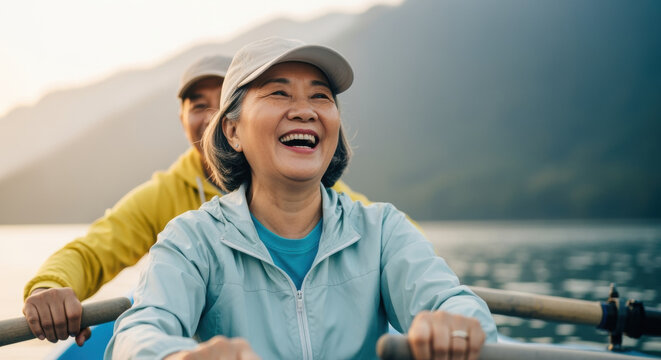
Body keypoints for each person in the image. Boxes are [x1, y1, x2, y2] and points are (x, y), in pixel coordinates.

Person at [106, 37, 497, 360]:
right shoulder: (193, 239)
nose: (305, 111)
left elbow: (453, 301)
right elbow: (137, 333)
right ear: (232, 131)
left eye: (321, 97)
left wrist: (454, 322)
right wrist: (175, 357)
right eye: (279, 93)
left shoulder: (382, 231)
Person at [22, 55, 369, 348]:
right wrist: (51, 286)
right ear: (181, 119)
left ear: (240, 116)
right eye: (198, 105)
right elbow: (95, 248)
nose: (210, 116)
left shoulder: (303, 185)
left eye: (221, 103)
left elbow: (382, 233)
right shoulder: (165, 194)